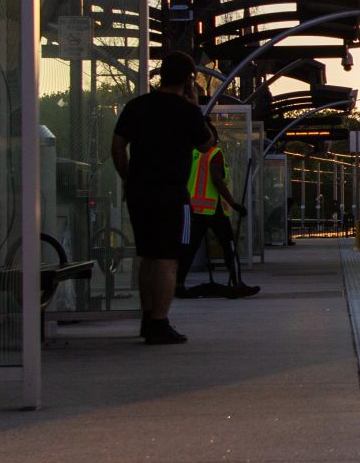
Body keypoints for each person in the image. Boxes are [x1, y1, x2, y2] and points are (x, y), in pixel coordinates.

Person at [111, 50, 212, 344]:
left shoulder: (137, 106)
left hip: (140, 191)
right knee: (168, 259)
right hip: (171, 193)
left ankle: (147, 318)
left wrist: (127, 177)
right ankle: (160, 322)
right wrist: (195, 107)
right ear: (189, 79)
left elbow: (117, 147)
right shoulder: (187, 110)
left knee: (148, 257)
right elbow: (207, 144)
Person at [176, 121, 260, 299]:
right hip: (213, 209)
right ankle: (237, 283)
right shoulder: (215, 153)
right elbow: (217, 180)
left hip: (194, 208)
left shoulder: (193, 155)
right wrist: (234, 203)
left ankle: (179, 284)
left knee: (189, 249)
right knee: (229, 246)